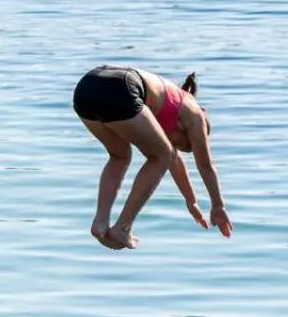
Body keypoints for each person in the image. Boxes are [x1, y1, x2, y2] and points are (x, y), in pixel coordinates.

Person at [72, 66, 230, 250]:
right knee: (161, 155)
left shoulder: (168, 107)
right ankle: (123, 228)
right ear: (187, 132)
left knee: (120, 156)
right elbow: (205, 165)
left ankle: (100, 222)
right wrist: (218, 206)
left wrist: (191, 201)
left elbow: (173, 160)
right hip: (120, 86)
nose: (176, 147)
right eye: (183, 145)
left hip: (86, 88)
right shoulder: (195, 115)